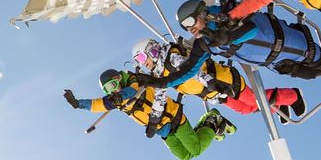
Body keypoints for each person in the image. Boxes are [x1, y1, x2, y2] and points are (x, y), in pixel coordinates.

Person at [146, 0, 321, 92]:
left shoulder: (230, 12)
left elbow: (252, 28)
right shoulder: (203, 44)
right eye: (184, 27)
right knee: (312, 75)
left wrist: (228, 38)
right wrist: (161, 82)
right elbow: (189, 69)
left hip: (291, 42)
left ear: (202, 13)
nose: (189, 29)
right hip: (279, 61)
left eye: (190, 22)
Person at [63, 69, 232, 160]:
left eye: (113, 85)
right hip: (161, 132)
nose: (112, 90)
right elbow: (99, 104)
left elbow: (131, 91)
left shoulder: (136, 81)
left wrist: (117, 97)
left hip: (174, 119)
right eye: (107, 89)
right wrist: (78, 104)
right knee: (185, 156)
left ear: (119, 79)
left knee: (195, 150)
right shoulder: (116, 100)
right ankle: (205, 125)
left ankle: (212, 121)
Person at [131, 37, 305, 121]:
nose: (143, 63)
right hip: (214, 94)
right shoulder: (160, 76)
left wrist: (210, 81)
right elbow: (160, 96)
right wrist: (154, 119)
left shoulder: (172, 58)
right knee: (245, 109)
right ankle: (279, 106)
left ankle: (294, 96)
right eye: (138, 62)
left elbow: (192, 70)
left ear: (152, 51)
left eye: (141, 58)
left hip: (222, 81)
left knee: (253, 99)